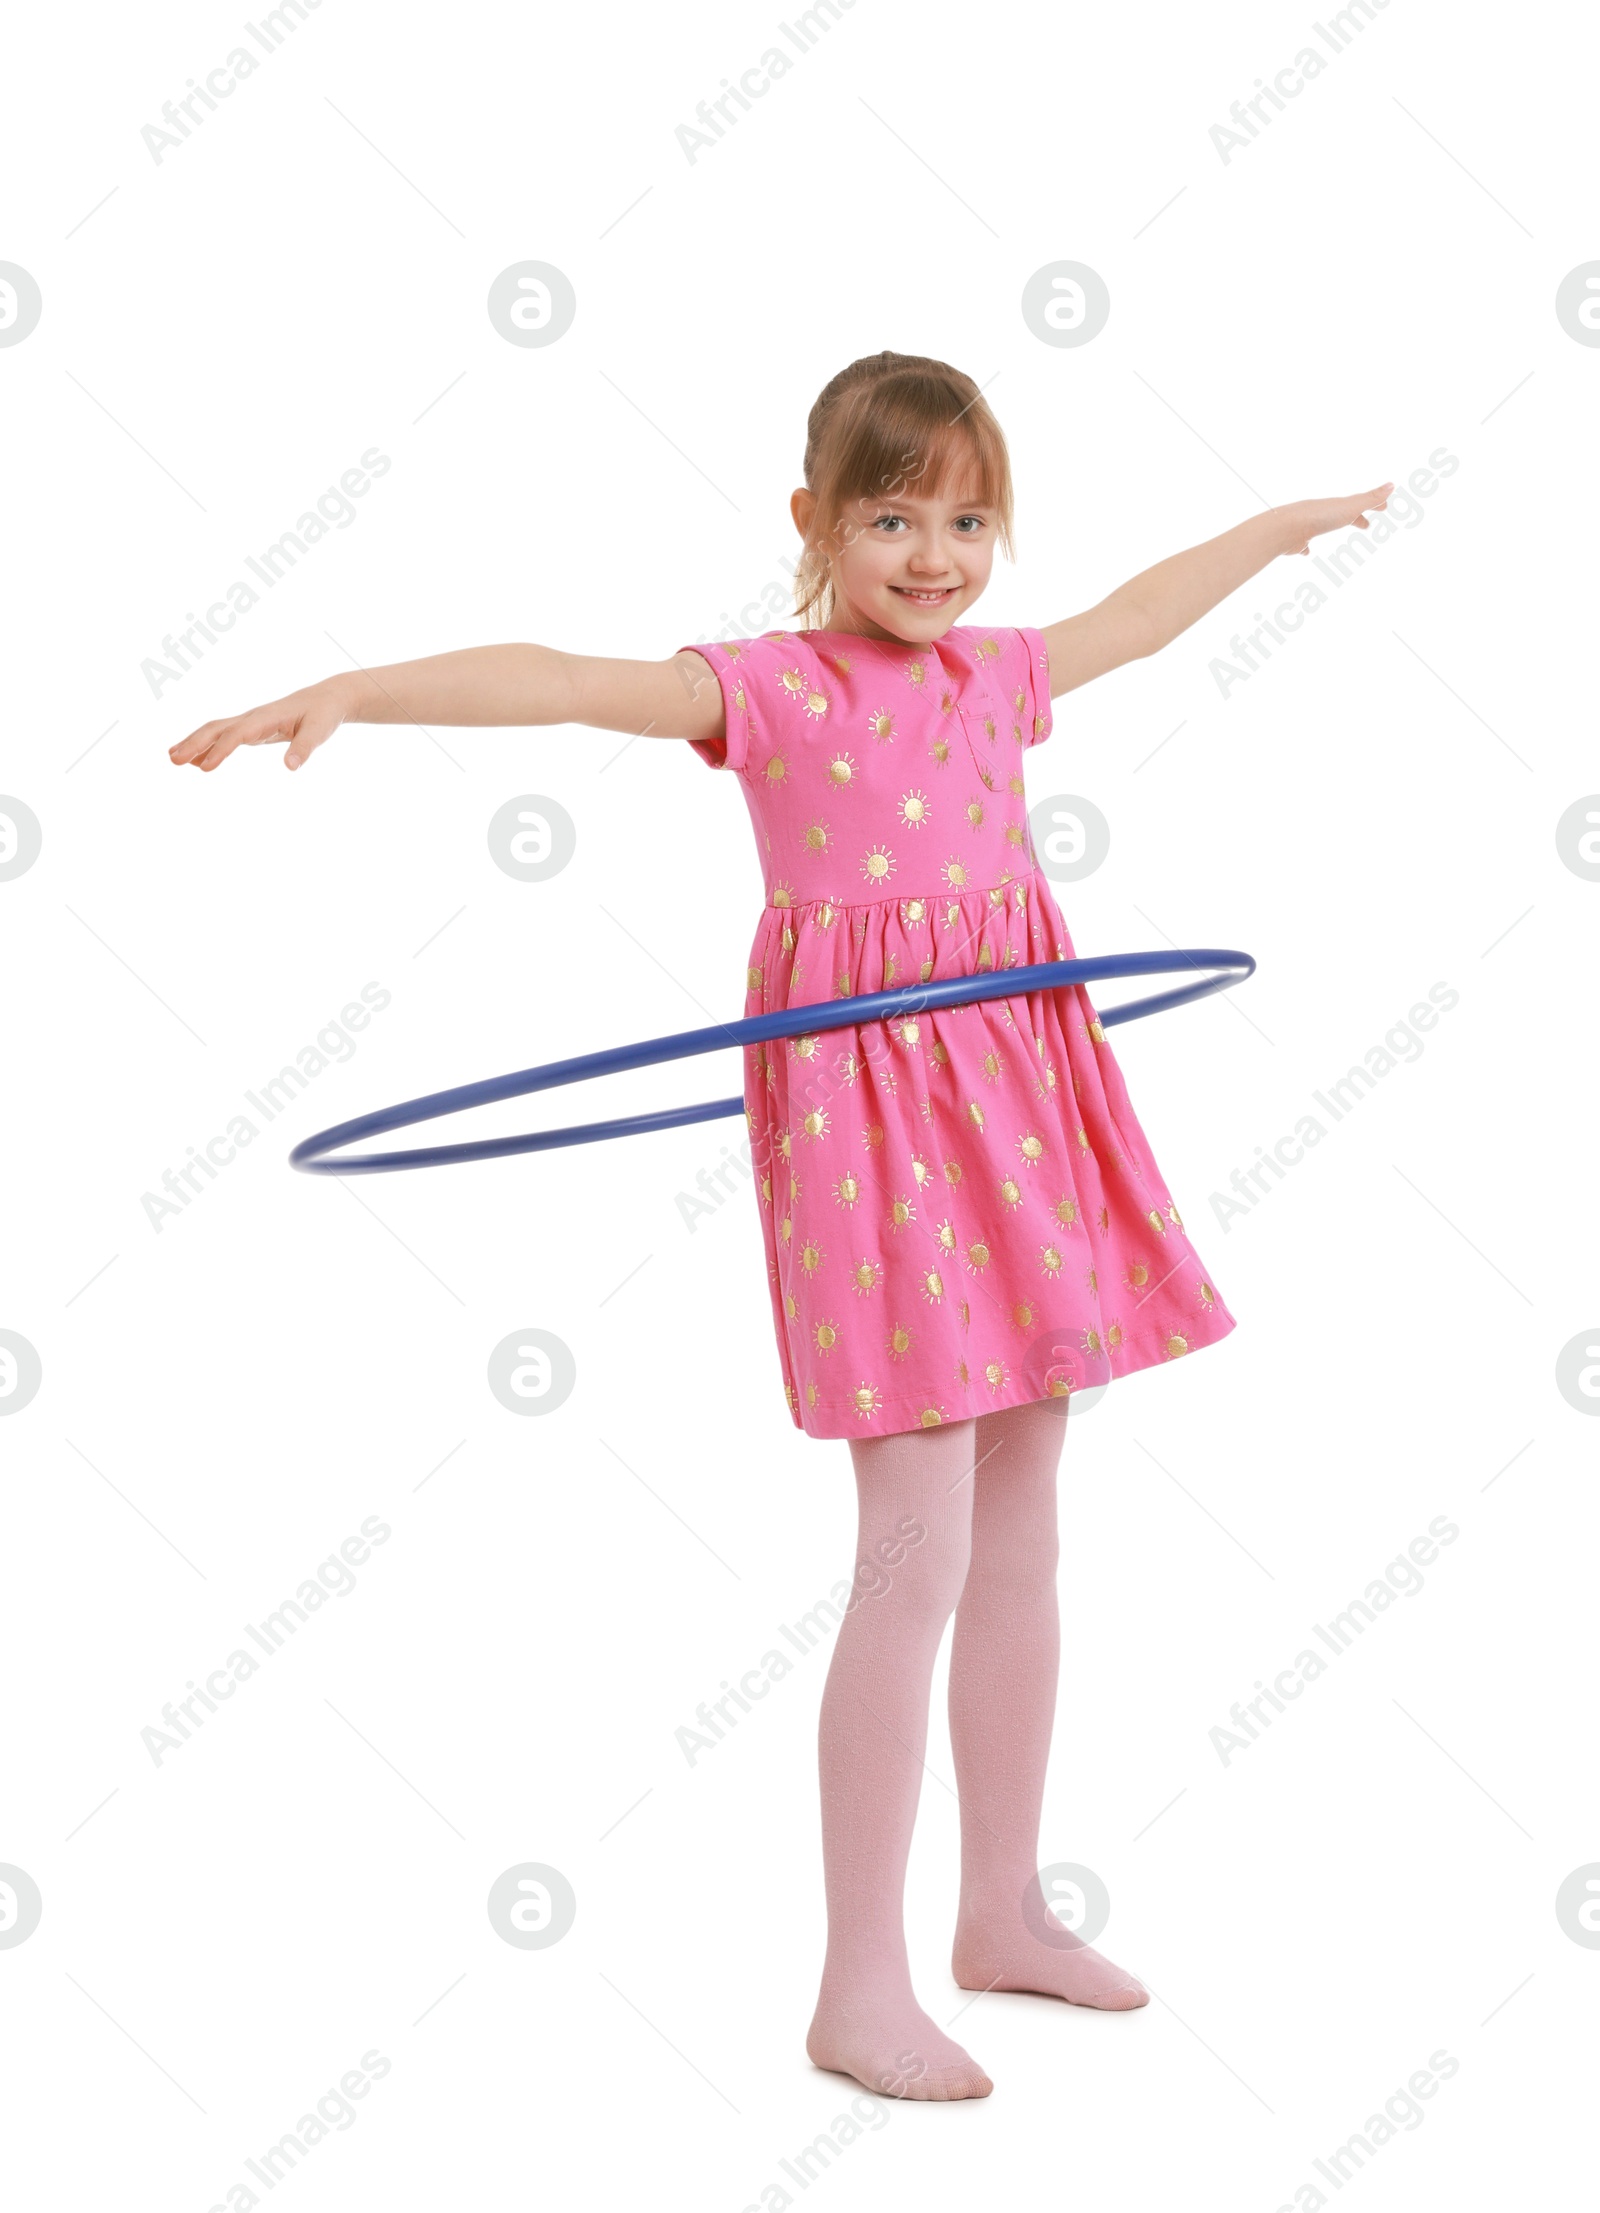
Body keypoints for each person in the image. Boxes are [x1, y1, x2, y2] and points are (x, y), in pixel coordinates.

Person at [171, 349, 1391, 2102]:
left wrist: (1276, 528)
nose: (935, 553)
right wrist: (358, 687)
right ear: (815, 520)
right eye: (894, 515)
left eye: (969, 517)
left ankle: (1001, 1909)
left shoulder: (997, 677)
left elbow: (1140, 613)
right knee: (915, 1548)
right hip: (878, 1144)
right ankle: (858, 1981)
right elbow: (563, 676)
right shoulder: (773, 690)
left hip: (1023, 1102)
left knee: (1028, 1514)